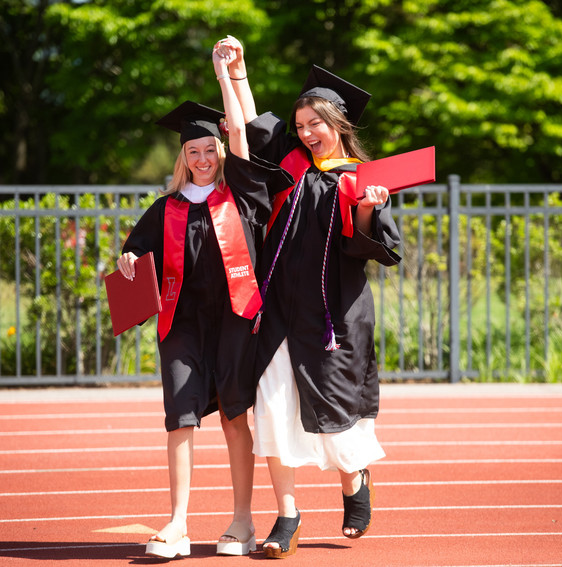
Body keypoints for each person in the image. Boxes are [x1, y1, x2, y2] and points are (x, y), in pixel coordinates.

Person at [214, 37, 401, 558]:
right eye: (299, 126)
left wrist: (368, 207)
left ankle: (354, 481)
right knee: (272, 409)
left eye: (314, 123)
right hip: (278, 311)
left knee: (336, 416)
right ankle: (287, 516)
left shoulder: (360, 179)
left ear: (337, 123)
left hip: (332, 317)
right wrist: (237, 71)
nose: (305, 133)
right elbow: (255, 127)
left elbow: (367, 247)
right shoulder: (291, 164)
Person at [115, 49, 292, 558]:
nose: (202, 159)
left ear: (220, 150)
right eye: (192, 151)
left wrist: (225, 75)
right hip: (181, 324)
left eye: (209, 149)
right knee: (180, 417)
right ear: (182, 158)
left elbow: (241, 137)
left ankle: (242, 521)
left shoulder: (242, 194)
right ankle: (177, 524)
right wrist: (128, 260)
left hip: (236, 319)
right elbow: (135, 254)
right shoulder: (164, 208)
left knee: (235, 417)